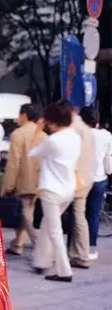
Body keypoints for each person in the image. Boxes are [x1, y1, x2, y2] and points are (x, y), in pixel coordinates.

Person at [29, 100, 81, 282]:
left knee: (55, 231)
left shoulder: (53, 141)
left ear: (52, 121)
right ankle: (41, 260)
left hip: (52, 190)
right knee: (47, 224)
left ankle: (64, 271)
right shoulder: (75, 137)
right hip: (68, 188)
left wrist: (38, 129)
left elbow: (32, 151)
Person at [1, 104, 45, 255]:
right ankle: (18, 243)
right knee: (27, 211)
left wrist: (9, 185)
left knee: (26, 214)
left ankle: (41, 245)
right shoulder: (43, 135)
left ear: (24, 115)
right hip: (40, 180)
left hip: (24, 179)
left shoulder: (18, 134)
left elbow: (14, 163)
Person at [81, 107, 112, 260]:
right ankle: (91, 248)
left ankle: (75, 246)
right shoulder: (107, 136)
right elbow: (108, 159)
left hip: (81, 180)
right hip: (99, 179)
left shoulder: (79, 134)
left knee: (78, 214)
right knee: (93, 215)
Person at [67, 106, 95, 269]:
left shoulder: (73, 129)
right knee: (80, 216)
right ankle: (81, 254)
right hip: (85, 179)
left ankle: (51, 255)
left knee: (56, 216)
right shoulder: (86, 130)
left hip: (74, 179)